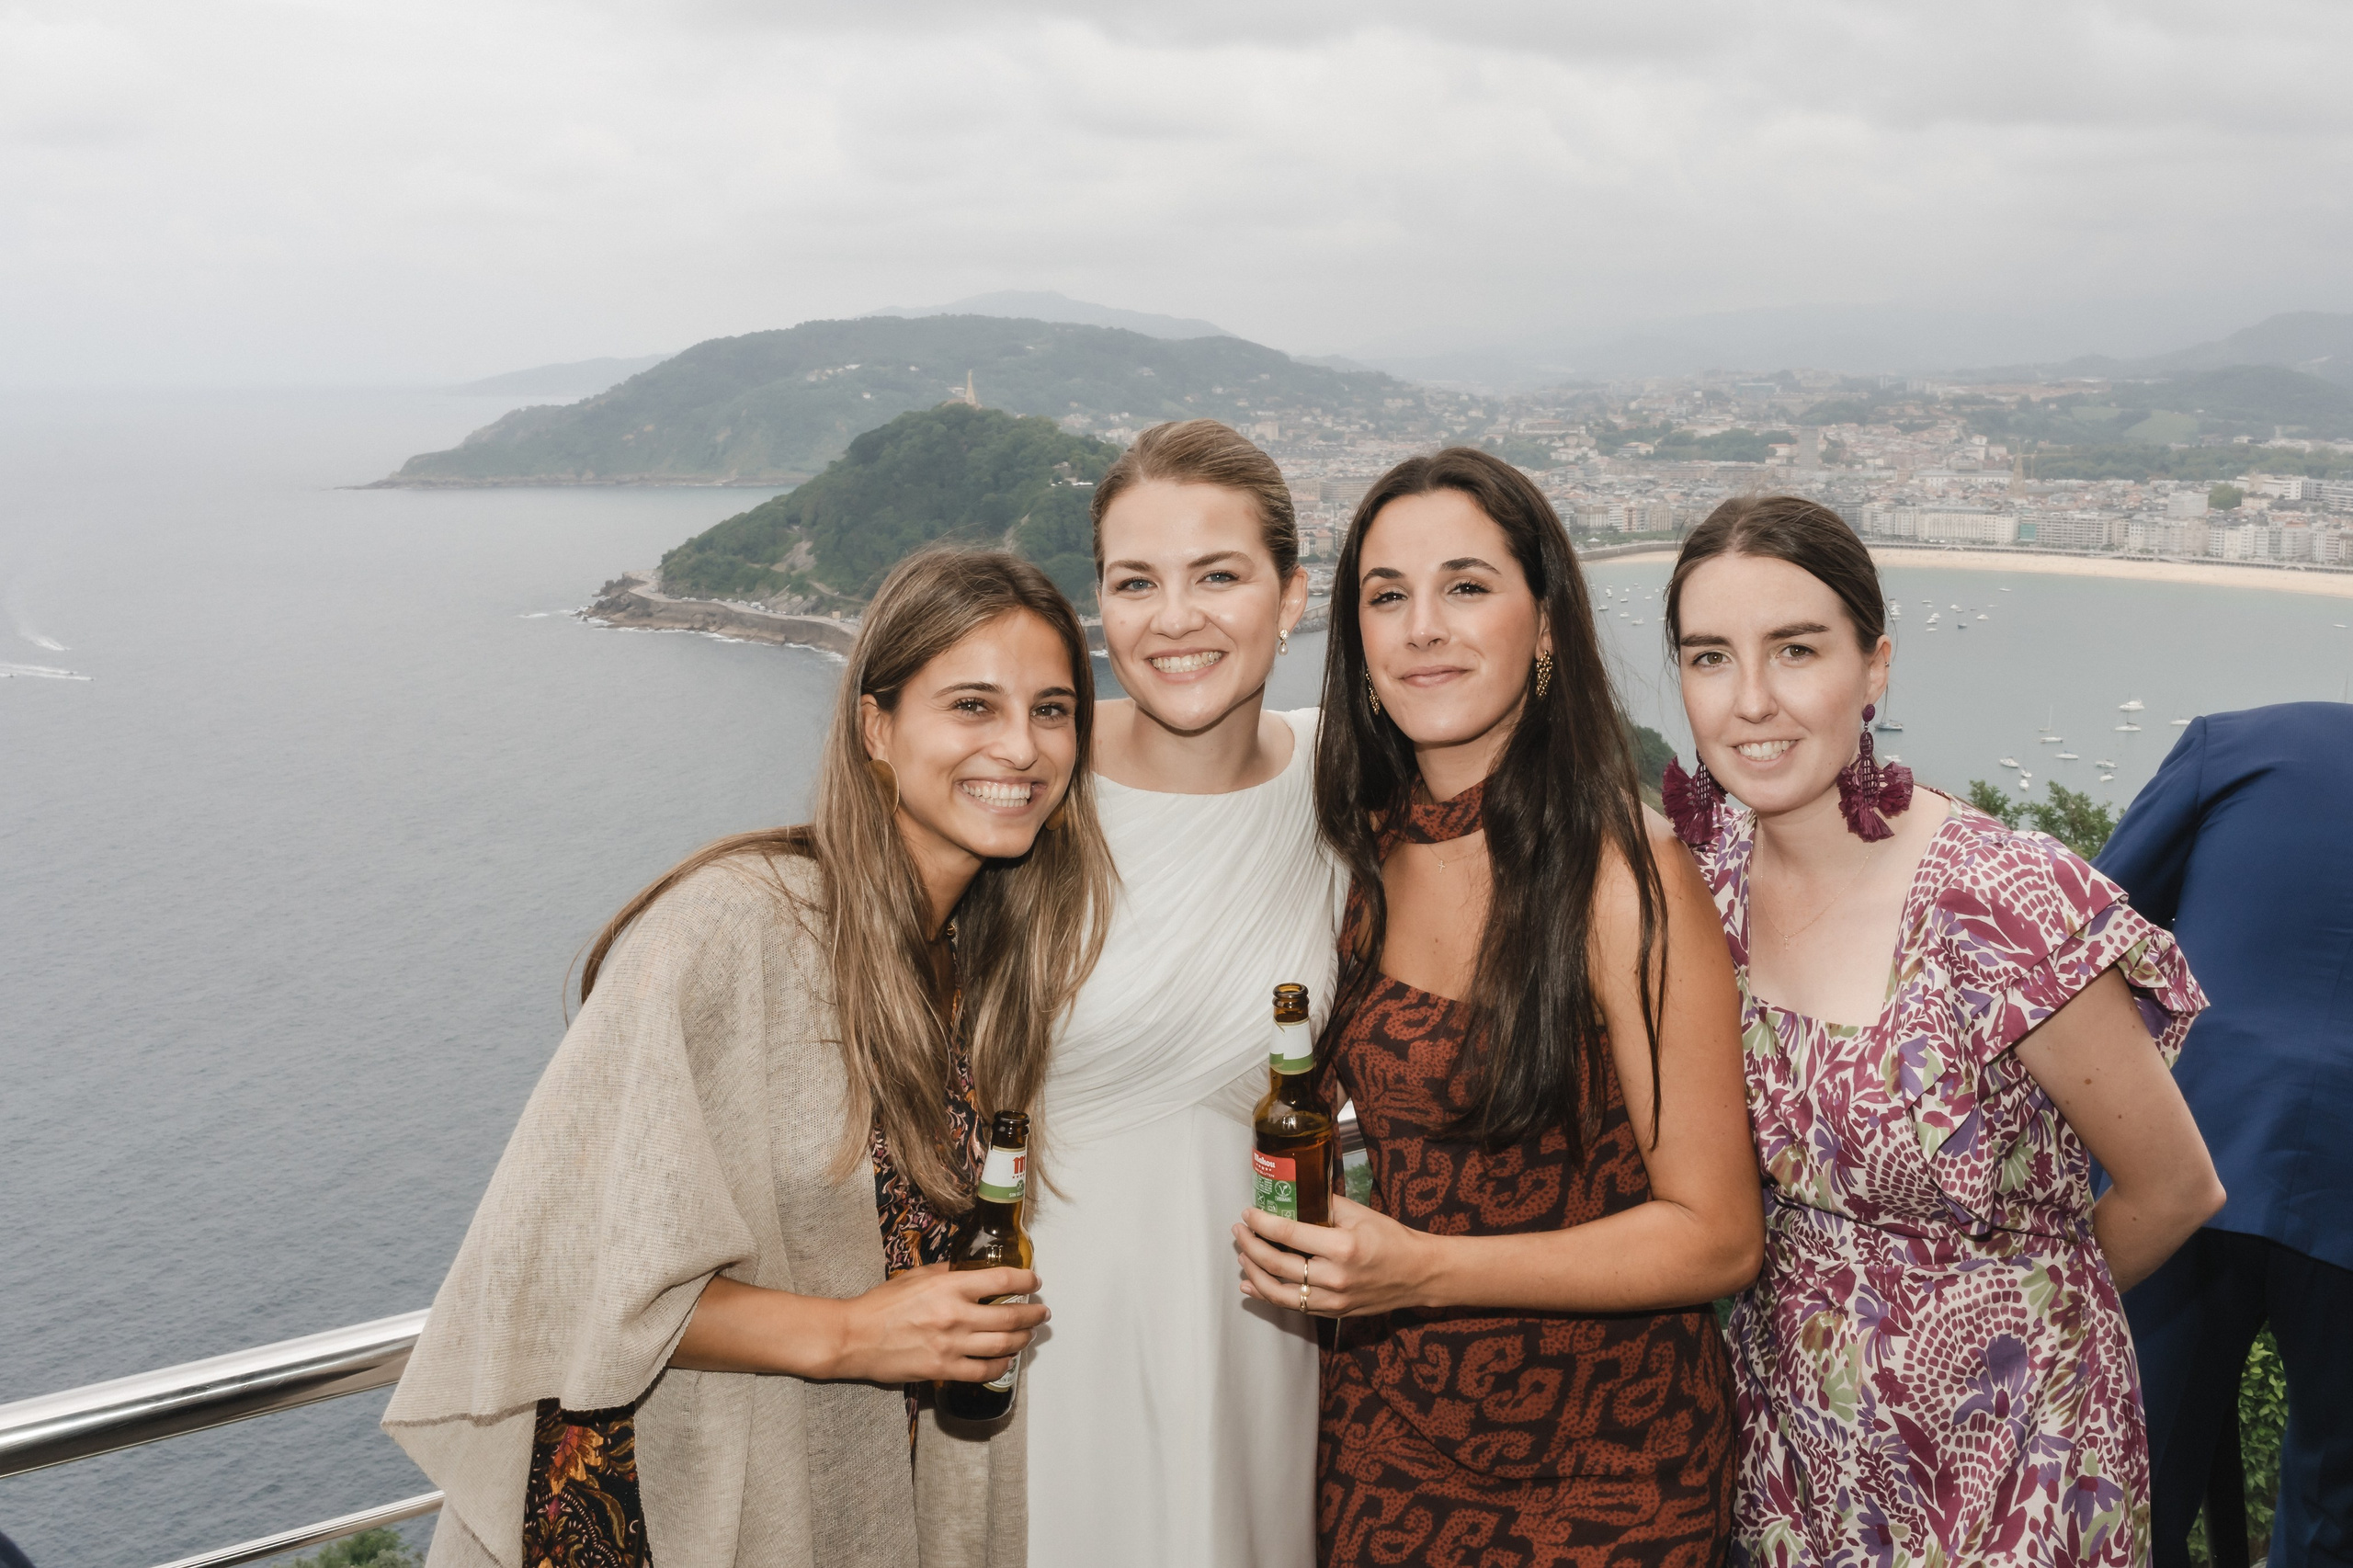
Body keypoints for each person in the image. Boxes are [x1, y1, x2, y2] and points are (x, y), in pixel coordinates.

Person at [383, 550, 1114, 1568]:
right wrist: (853, 1335)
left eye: (1051, 709)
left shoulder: (974, 967)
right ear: (876, 727)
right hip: (655, 1510)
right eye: (972, 704)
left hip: (825, 1498)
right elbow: (559, 1268)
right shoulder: (732, 930)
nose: (1021, 746)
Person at [1659, 494, 2227, 1568]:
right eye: (1707, 657)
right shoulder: (1707, 880)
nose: (1750, 700)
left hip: (2010, 1461)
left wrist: (2005, 1324)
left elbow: (2175, 1187)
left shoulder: (1995, 900)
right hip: (1798, 1446)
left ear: (1874, 668)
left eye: (1795, 649)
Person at [1234, 447, 1763, 1567]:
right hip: (1378, 1446)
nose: (1422, 626)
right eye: (1387, 596)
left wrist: (1421, 1267)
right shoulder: (1361, 854)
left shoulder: (1625, 879)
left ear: (1549, 624)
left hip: (1606, 1476)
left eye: (1466, 586)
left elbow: (1715, 1235)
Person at [1020, 419, 1338, 1568]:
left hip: (1253, 1322)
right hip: (1037, 1328)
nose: (1174, 617)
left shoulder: (1344, 777)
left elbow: (1566, 820)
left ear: (1291, 595)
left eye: (1218, 575)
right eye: (1135, 581)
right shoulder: (1028, 781)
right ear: (1097, 602)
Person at [2094, 701, 2353, 1568]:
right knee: (2333, 1505)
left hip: (2186, 1151)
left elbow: (2087, 929)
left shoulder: (2242, 743)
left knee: (2132, 1477)